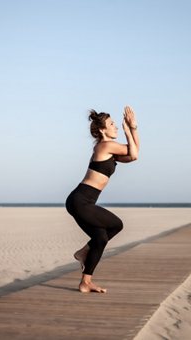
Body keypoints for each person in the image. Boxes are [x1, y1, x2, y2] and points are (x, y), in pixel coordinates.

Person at [65, 106, 139, 293]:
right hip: (80, 200)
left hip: (84, 201)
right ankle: (83, 253)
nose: (115, 127)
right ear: (102, 130)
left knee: (100, 237)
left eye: (115, 123)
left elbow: (132, 156)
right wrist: (130, 129)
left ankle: (85, 282)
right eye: (111, 124)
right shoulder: (105, 146)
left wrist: (132, 129)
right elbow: (135, 152)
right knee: (116, 224)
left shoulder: (110, 151)